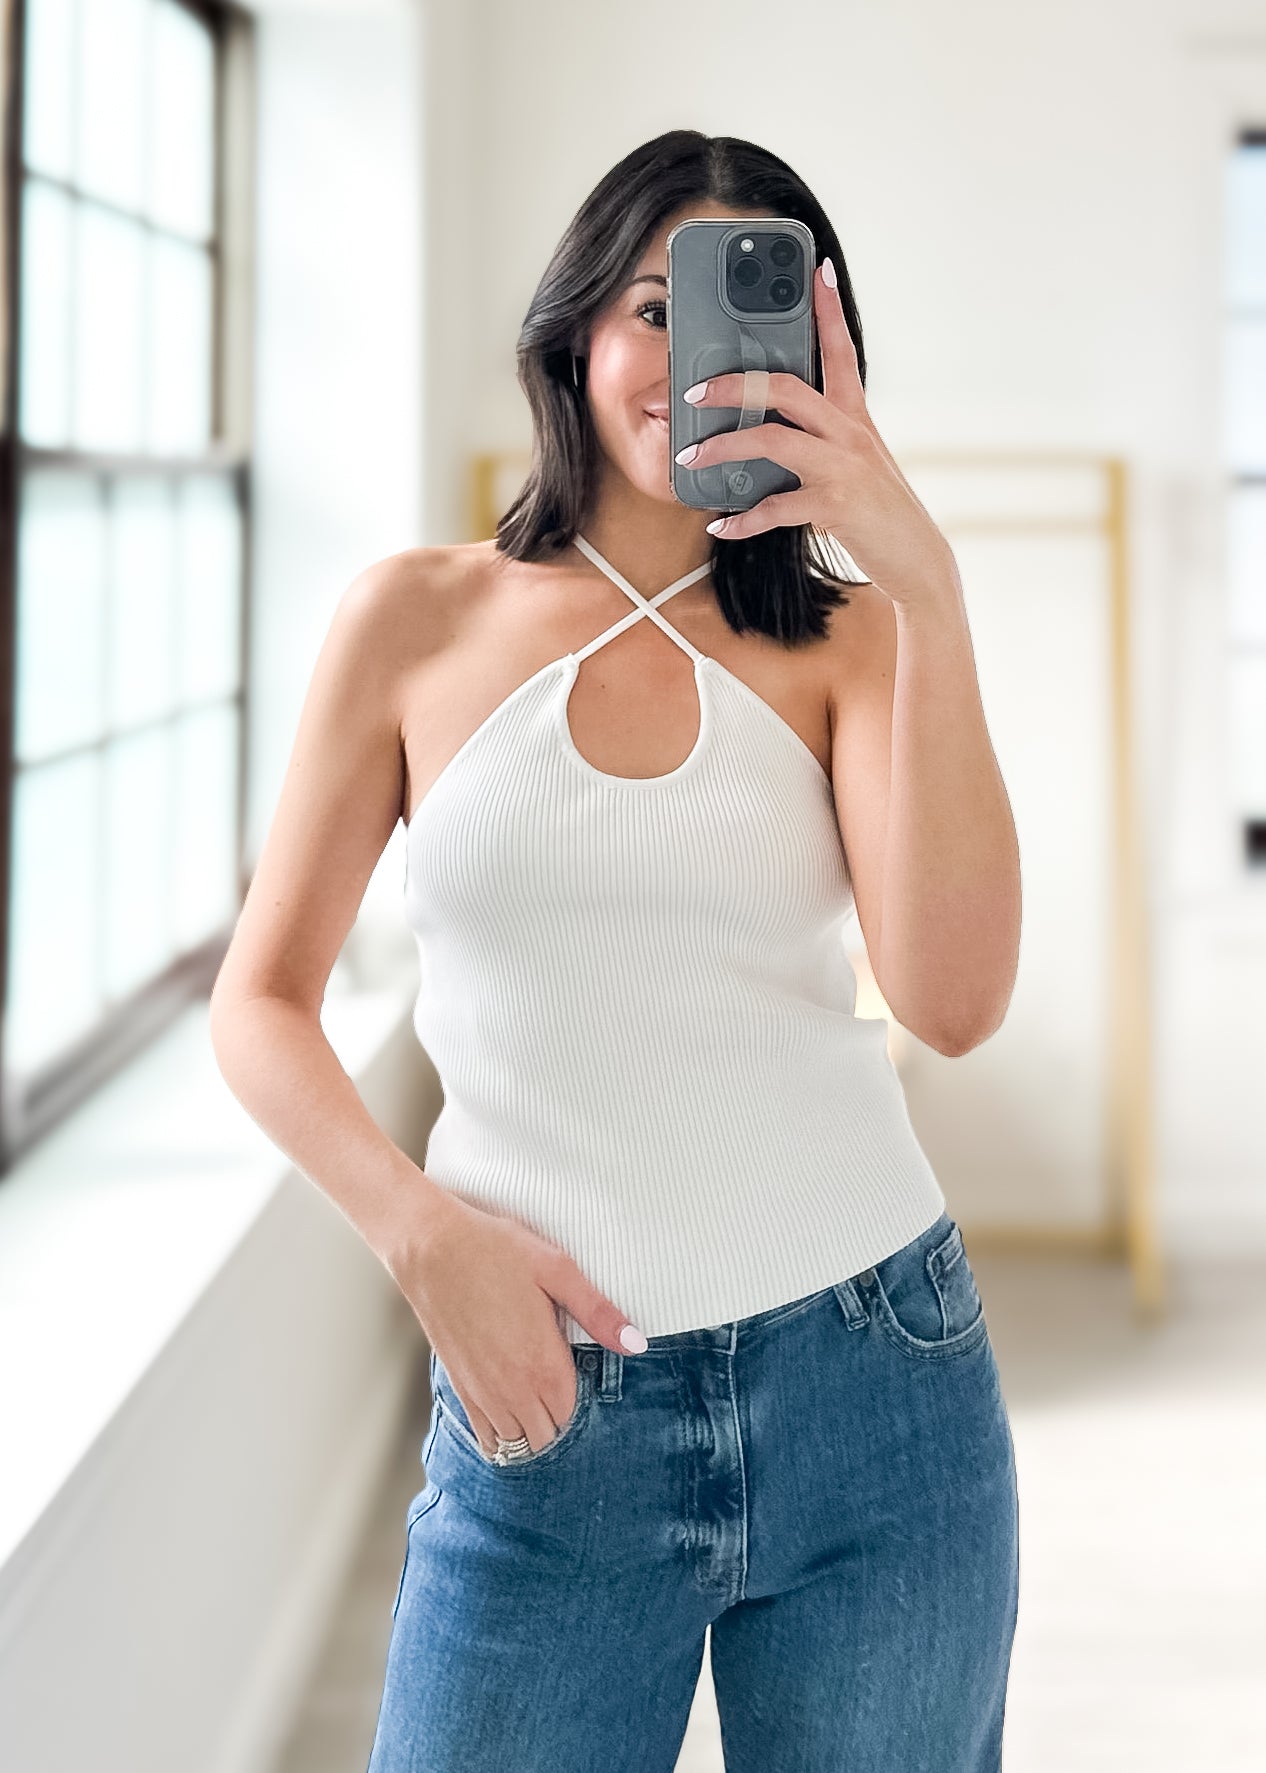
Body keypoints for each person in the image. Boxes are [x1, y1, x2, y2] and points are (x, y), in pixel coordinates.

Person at [211, 129, 1022, 1773]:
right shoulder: (412, 621)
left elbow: (951, 1002)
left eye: (749, 316)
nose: (694, 358)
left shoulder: (857, 640)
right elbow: (261, 1001)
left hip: (875, 1385)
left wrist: (925, 580)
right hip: (548, 1403)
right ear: (574, 330)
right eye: (655, 306)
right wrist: (421, 1235)